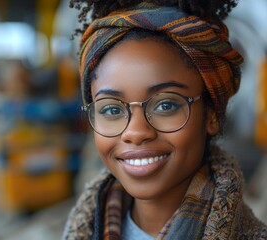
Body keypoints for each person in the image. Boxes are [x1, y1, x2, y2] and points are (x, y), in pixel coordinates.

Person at [62, 0, 267, 239]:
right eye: (112, 110)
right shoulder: (82, 229)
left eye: (165, 105)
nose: (136, 132)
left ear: (212, 114)